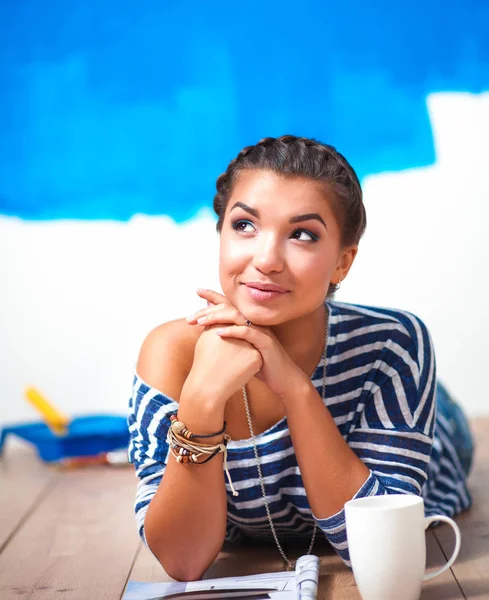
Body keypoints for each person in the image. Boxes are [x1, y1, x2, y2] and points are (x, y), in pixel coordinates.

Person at [128, 135, 473, 581]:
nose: (267, 260)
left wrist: (293, 386)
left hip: (424, 432)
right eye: (245, 226)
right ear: (220, 234)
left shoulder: (394, 344)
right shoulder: (171, 356)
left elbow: (380, 548)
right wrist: (201, 400)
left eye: (303, 235)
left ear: (341, 264)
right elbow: (182, 560)